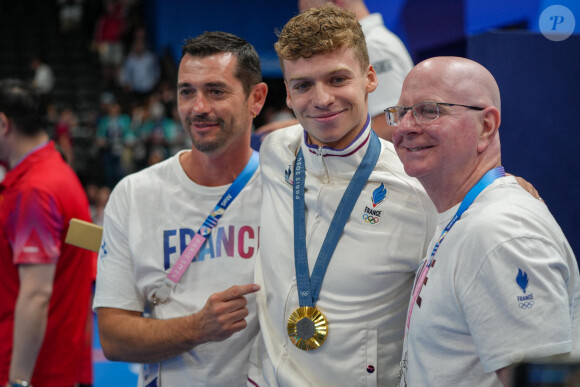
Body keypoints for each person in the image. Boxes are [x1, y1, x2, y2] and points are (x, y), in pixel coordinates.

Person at [247, 5, 437, 386]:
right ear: (287, 93)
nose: (321, 99)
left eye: (337, 79)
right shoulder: (274, 152)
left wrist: (502, 187)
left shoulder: (415, 191)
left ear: (370, 78)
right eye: (303, 85)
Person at [389, 56, 580, 386]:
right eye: (401, 112)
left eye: (428, 110)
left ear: (486, 126)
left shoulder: (500, 231)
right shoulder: (466, 215)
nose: (406, 126)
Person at [93, 31, 268, 386]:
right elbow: (112, 336)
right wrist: (197, 328)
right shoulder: (135, 194)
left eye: (216, 91)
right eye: (187, 91)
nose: (198, 107)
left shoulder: (284, 187)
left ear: (256, 99)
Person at [0, 79, 94, 387]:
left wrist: (18, 381)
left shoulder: (33, 191)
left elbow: (37, 294)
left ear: (3, 124)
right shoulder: (59, 173)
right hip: (62, 361)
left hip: (35, 370)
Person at [255, 0, 413, 143]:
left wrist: (302, 134)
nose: (309, 34)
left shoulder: (374, 45)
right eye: (304, 85)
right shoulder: (375, 42)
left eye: (315, 20)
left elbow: (389, 126)